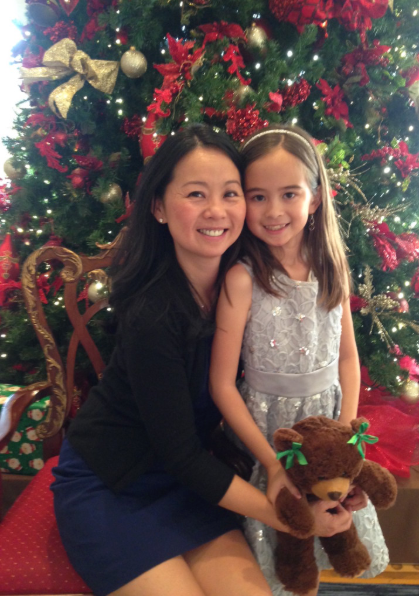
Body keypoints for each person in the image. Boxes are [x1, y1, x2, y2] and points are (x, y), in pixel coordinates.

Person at [51, 124, 353, 596]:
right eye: (196, 194)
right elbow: (181, 453)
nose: (216, 211)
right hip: (112, 483)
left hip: (189, 482)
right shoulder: (153, 314)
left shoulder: (247, 283)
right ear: (158, 207)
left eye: (231, 193)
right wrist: (293, 518)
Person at [209, 125, 390, 596]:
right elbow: (223, 385)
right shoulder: (242, 279)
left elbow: (347, 358)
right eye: (257, 196)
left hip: (329, 422)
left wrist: (346, 433)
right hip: (269, 433)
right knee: (282, 552)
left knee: (329, 524)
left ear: (313, 198)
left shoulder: (332, 265)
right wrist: (271, 465)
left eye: (288, 193)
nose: (273, 211)